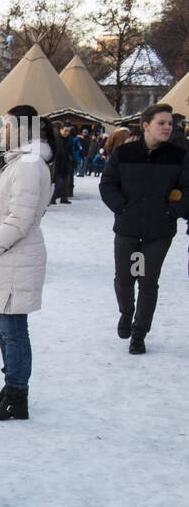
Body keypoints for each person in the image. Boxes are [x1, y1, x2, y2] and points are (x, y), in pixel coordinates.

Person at [0, 105, 54, 419]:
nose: (1, 130)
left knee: (13, 327)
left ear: (22, 128)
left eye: (6, 125)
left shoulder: (29, 164)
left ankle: (17, 396)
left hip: (15, 253)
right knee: (4, 323)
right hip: (11, 254)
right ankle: (12, 385)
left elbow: (20, 219)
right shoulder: (20, 161)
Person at [98, 103, 189, 354]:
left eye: (170, 123)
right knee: (125, 278)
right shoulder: (125, 154)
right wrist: (122, 207)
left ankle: (139, 333)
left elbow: (188, 189)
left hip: (158, 233)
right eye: (162, 123)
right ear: (146, 125)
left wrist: (172, 212)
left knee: (147, 281)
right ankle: (126, 312)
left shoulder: (178, 155)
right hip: (128, 228)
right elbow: (108, 184)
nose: (167, 127)